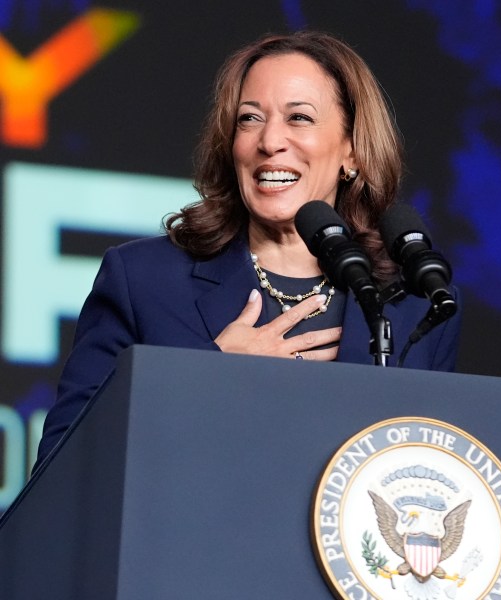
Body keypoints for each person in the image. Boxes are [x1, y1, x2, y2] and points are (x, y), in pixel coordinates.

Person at [34, 31, 461, 470]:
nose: (269, 141)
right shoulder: (143, 281)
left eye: (299, 118)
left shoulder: (413, 307)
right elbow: (62, 465)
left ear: (351, 151)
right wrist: (206, 379)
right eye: (249, 119)